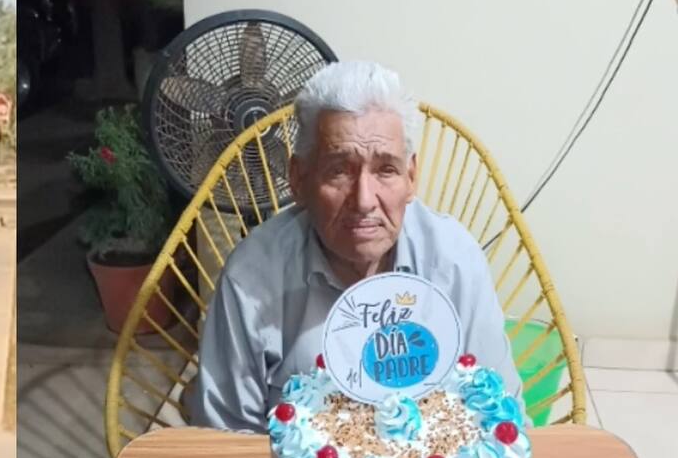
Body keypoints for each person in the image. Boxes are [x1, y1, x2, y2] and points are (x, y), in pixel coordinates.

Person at [190, 61, 521, 432]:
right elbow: (225, 437)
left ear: (411, 178)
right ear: (298, 179)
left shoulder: (455, 261)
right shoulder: (252, 279)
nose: (364, 200)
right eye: (339, 170)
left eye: (386, 170)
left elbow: (500, 415)